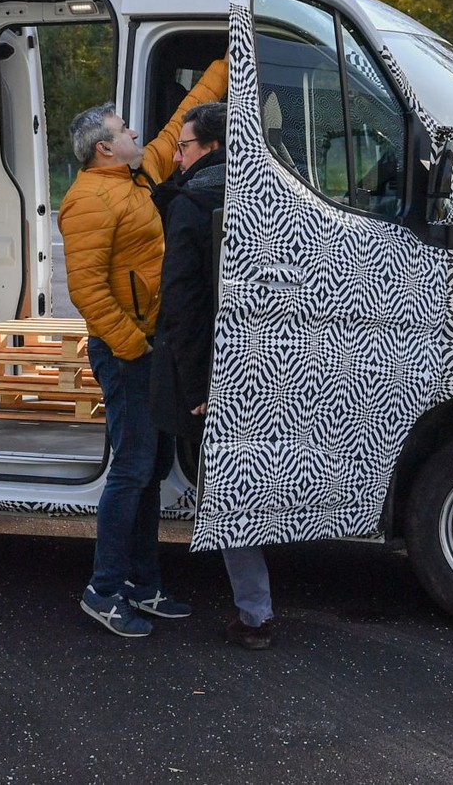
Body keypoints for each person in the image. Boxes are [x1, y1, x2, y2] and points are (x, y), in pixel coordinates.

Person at [61, 58, 228, 638]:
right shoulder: (88, 201)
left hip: (152, 346)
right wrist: (134, 347)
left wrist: (231, 52)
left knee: (152, 466)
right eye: (124, 129)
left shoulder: (138, 176)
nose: (137, 133)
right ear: (105, 149)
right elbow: (88, 290)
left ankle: (143, 582)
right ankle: (103, 589)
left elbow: (182, 118)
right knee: (131, 468)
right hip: (129, 351)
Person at [150, 101, 276, 649]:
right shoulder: (267, 195)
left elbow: (183, 304)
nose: (176, 156)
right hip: (264, 364)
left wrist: (201, 385)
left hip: (208, 374)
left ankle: (255, 615)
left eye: (185, 146)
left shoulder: (194, 203)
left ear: (213, 148)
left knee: (225, 489)